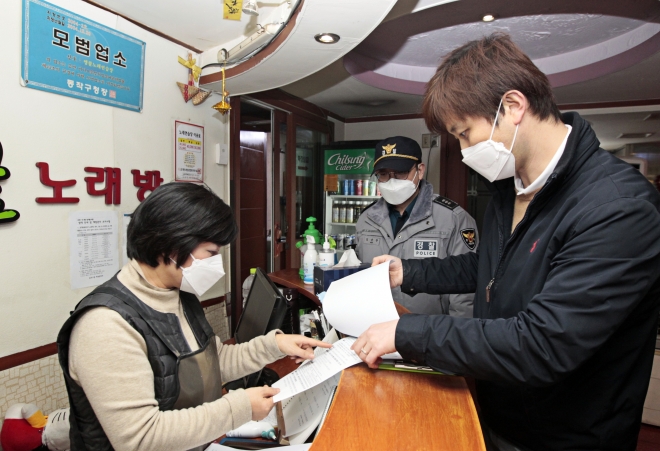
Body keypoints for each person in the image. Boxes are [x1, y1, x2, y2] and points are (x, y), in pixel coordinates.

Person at [351, 33, 660, 451]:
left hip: (567, 434)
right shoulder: (508, 187)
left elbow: (542, 343)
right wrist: (408, 270)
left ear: (512, 107)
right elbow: (490, 269)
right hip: (499, 408)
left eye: (464, 133)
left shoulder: (617, 208)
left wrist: (410, 332)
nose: (462, 151)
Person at [57, 182, 330, 451]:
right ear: (173, 244)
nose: (216, 264)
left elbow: (212, 363)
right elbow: (139, 438)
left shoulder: (178, 294)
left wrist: (275, 345)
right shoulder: (105, 324)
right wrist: (240, 407)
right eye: (211, 253)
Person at [355, 136, 477, 316]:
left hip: (432, 335)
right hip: (378, 331)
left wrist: (453, 339)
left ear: (420, 171)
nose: (391, 181)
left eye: (400, 173)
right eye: (383, 174)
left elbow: (465, 297)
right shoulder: (366, 219)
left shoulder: (453, 218)